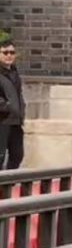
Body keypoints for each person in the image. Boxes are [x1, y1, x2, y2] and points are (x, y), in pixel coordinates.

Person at [0, 38, 25, 169]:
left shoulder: (14, 72)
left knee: (17, 155)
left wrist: (21, 109)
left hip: (15, 121)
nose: (9, 55)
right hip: (2, 121)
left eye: (12, 52)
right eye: (5, 52)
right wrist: (8, 107)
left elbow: (18, 94)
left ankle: (8, 179)